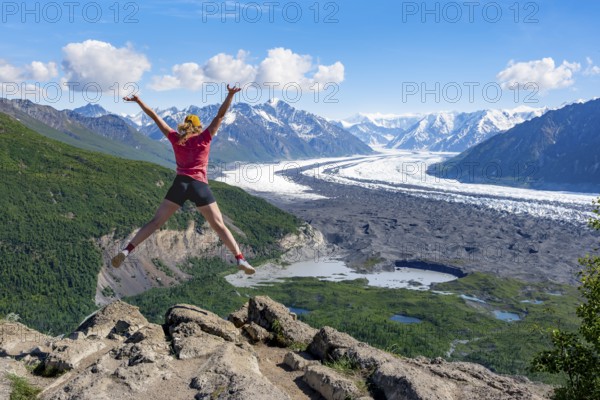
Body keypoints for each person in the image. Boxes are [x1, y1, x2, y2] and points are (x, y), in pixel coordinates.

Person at [111, 85, 255, 275]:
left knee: (155, 222)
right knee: (219, 225)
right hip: (199, 186)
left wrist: (138, 102)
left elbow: (154, 117)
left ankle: (127, 250)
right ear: (198, 126)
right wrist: (230, 95)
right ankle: (240, 259)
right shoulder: (205, 137)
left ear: (184, 125)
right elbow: (220, 116)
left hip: (180, 185)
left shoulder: (174, 138)